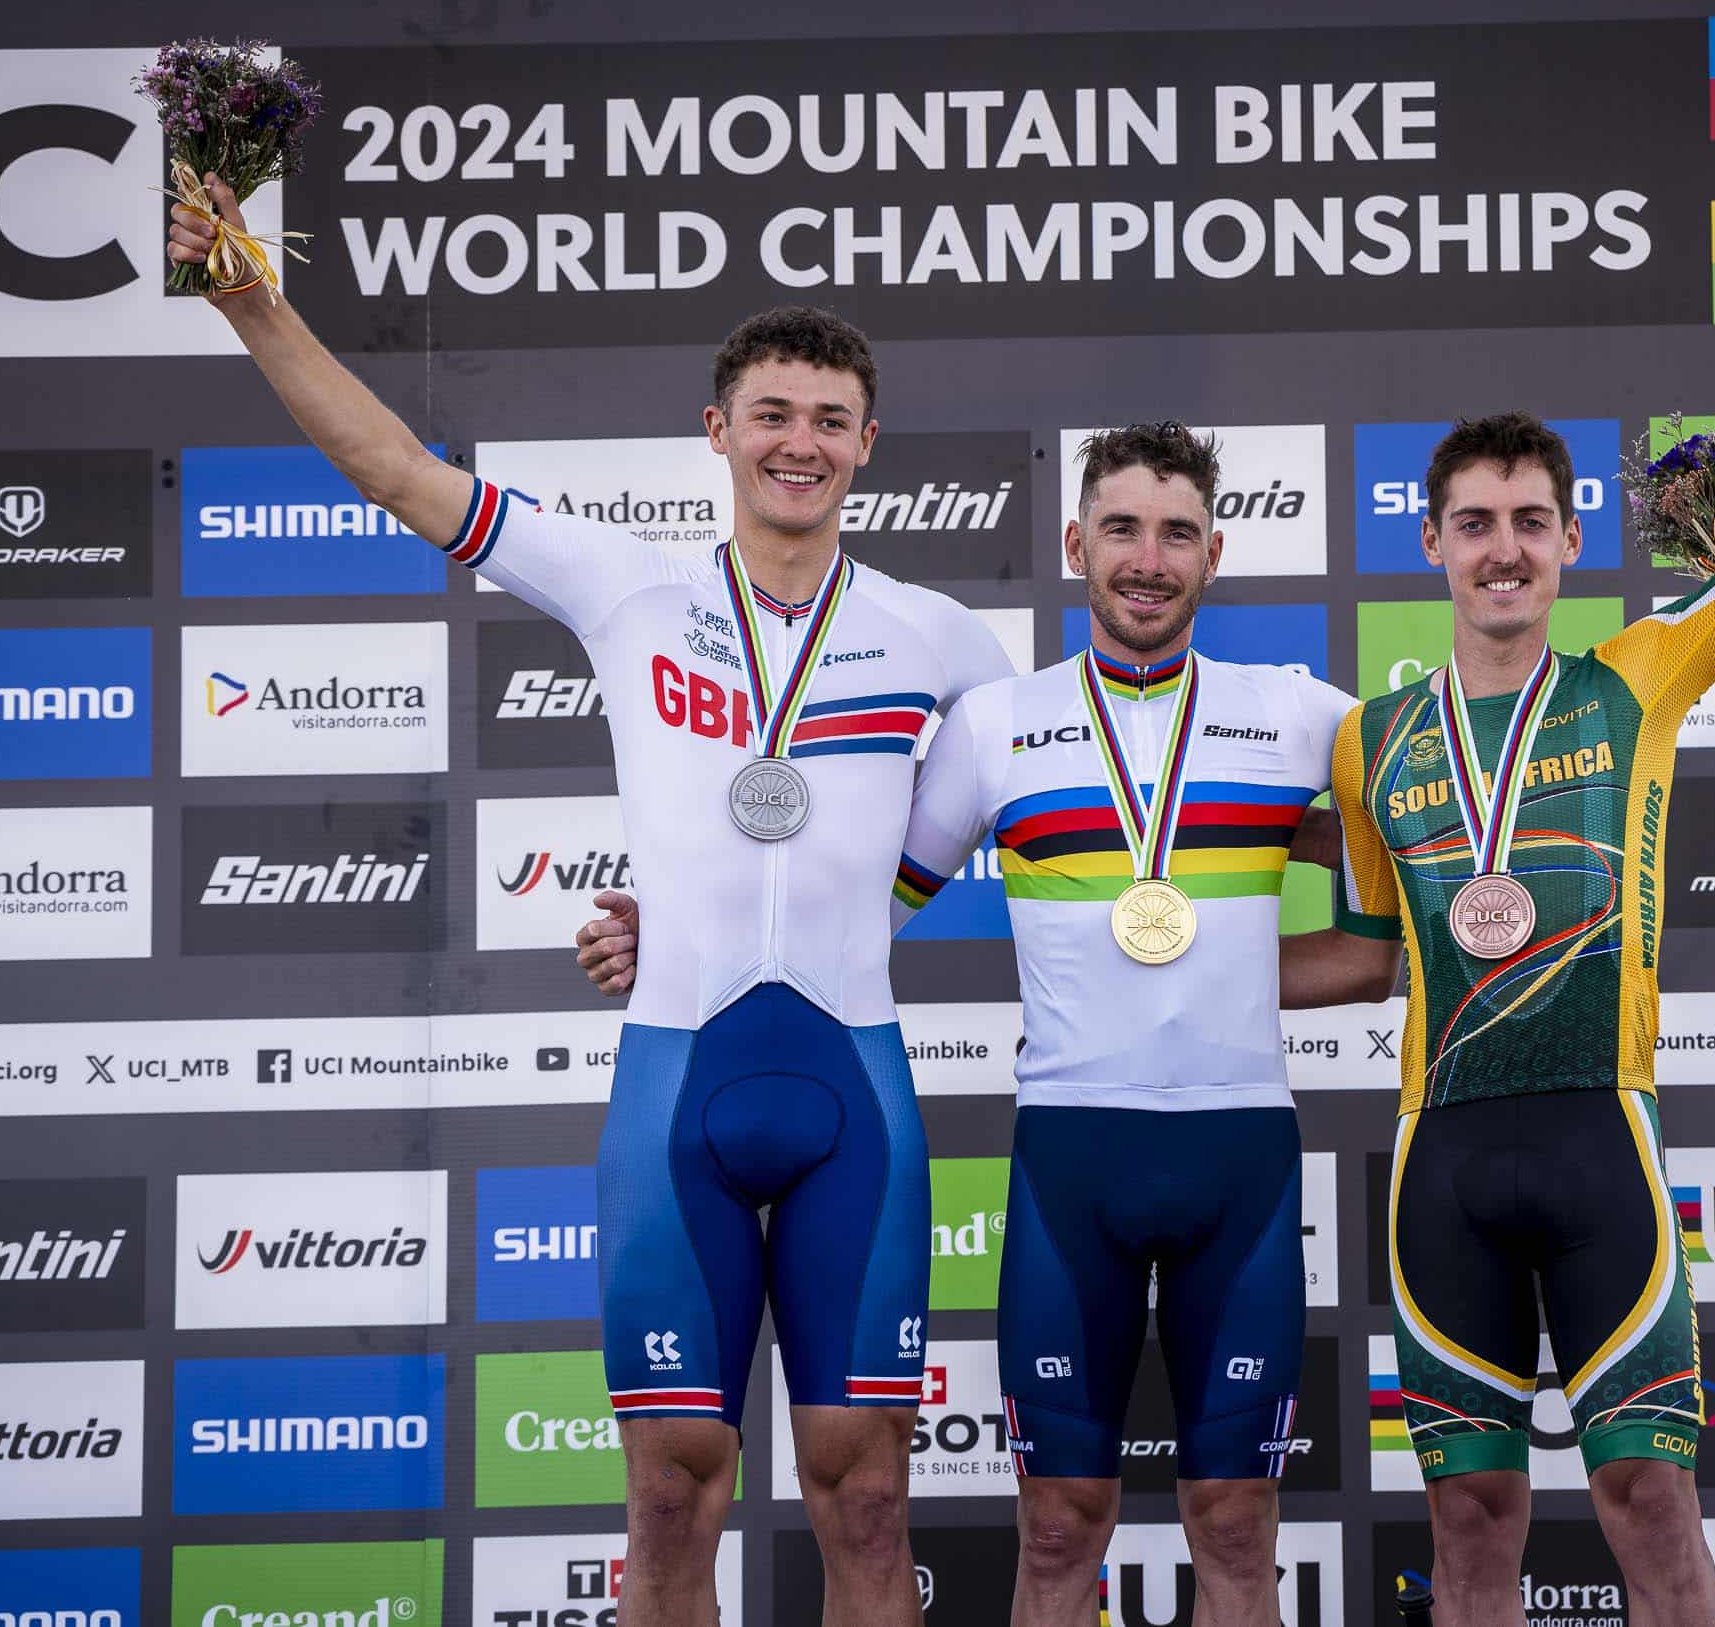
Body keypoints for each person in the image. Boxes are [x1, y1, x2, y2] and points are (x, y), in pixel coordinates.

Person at [167, 180, 1014, 1627]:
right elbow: (398, 471)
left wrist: (782, 906)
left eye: (829, 419)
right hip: (677, 1083)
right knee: (670, 1491)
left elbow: (989, 821)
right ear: (717, 430)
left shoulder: (942, 638)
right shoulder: (627, 586)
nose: (799, 441)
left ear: (868, 444)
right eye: (771, 412)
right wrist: (250, 296)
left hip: (853, 1093)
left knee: (867, 1489)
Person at [577, 422, 1396, 1627]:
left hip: (1243, 1158)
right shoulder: (994, 724)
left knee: (1237, 1521)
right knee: (1058, 1522)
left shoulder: (1301, 713)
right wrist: (687, 935)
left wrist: (1308, 879)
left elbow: (1420, 853)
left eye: (1177, 533)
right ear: (1074, 543)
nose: (1148, 558)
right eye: (1121, 528)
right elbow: (847, 903)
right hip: (1070, 1158)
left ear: (1215, 554)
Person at [1329, 186, 1715, 1627]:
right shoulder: (1369, 739)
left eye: (1530, 520)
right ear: (1430, 543)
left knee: (1650, 1498)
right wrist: (1144, 967)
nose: (1504, 547)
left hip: (1604, 1137)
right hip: (1439, 1158)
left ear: (1570, 539)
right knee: (1470, 1521)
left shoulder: (1637, 676)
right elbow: (1363, 952)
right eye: (1475, 522)